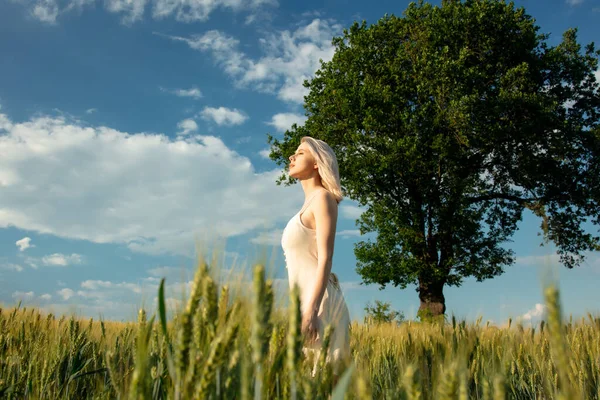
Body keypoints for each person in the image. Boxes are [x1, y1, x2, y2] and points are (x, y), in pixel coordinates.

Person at [280, 136, 351, 378]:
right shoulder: (306, 205)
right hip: (304, 304)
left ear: (317, 163)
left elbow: (325, 259)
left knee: (324, 384)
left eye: (300, 153)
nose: (292, 157)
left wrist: (310, 311)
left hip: (320, 306)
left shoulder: (323, 198)